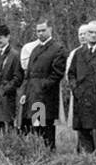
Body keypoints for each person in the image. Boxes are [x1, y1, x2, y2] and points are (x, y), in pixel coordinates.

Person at [22, 19, 66, 149]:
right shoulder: (35, 49)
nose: (40, 33)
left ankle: (49, 152)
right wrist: (26, 92)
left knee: (46, 126)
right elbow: (28, 74)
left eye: (43, 30)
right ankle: (39, 153)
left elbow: (57, 74)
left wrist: (42, 86)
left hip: (45, 97)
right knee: (36, 126)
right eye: (38, 31)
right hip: (33, 96)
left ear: (50, 30)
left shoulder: (58, 49)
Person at [68, 22, 96, 153]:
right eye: (90, 33)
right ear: (86, 34)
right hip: (81, 97)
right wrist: (75, 89)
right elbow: (71, 74)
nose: (93, 36)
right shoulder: (79, 53)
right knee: (83, 131)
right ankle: (87, 159)